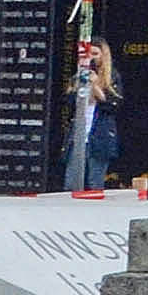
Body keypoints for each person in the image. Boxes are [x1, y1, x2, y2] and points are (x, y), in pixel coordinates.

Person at [64, 38, 120, 191]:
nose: (92, 58)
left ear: (103, 55)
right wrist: (76, 85)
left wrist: (95, 85)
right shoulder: (79, 75)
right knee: (70, 181)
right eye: (89, 54)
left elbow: (112, 105)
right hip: (79, 135)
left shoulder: (112, 77)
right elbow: (69, 103)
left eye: (95, 53)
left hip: (100, 135)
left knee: (95, 181)